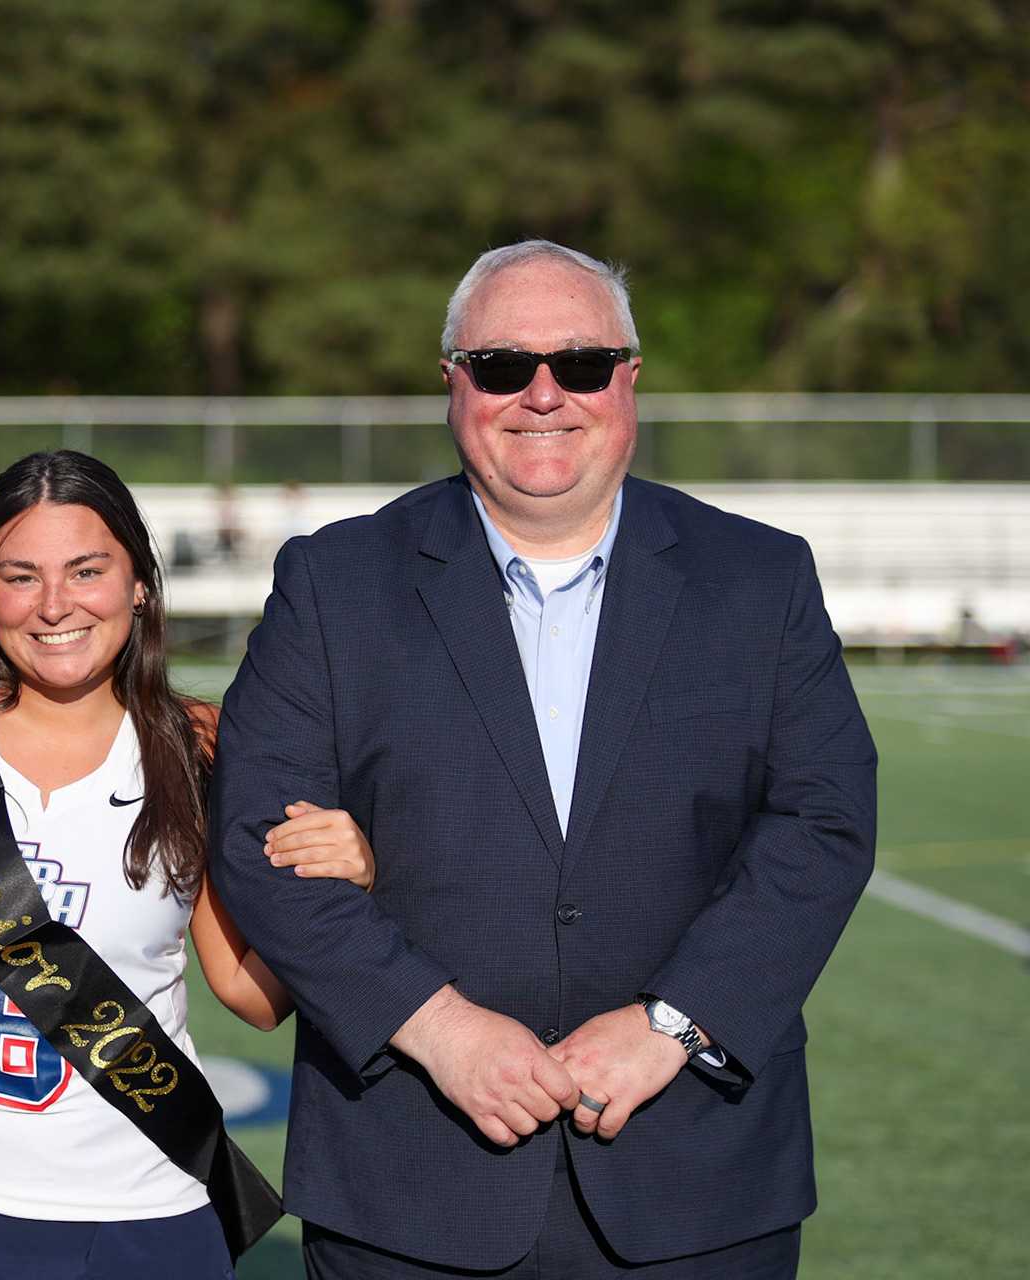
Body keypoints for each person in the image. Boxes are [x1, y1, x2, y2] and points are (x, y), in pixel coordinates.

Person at [209, 241, 877, 1278]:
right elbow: (257, 836)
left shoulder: (760, 576)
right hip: (412, 1183)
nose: (545, 394)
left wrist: (674, 1023)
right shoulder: (333, 583)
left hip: (697, 1180)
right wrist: (437, 1027)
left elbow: (824, 821)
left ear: (630, 376)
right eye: (504, 365)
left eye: (582, 362)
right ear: (453, 382)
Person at [0, 450, 378, 1280]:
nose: (55, 605)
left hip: (143, 1207)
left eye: (88, 570)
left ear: (140, 583)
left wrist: (343, 887)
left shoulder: (202, 745)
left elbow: (251, 994)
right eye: (21, 576)